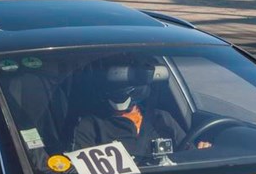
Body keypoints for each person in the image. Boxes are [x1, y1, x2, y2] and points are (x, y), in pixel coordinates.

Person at [72, 57, 207, 159]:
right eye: (115, 85)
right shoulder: (91, 126)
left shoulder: (162, 118)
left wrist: (201, 154)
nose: (120, 92)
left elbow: (187, 155)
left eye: (125, 85)